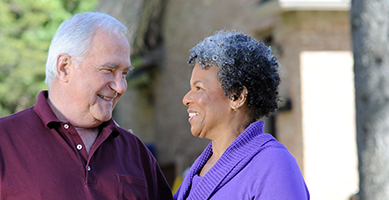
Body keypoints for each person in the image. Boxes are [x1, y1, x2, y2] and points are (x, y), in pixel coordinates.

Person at [0, 12, 172, 200]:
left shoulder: (136, 152)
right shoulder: (4, 140)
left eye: (123, 74)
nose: (121, 87)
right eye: (108, 70)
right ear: (64, 67)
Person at [174, 30, 310, 199]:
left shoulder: (273, 165)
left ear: (237, 96)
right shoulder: (197, 171)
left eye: (199, 88)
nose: (186, 99)